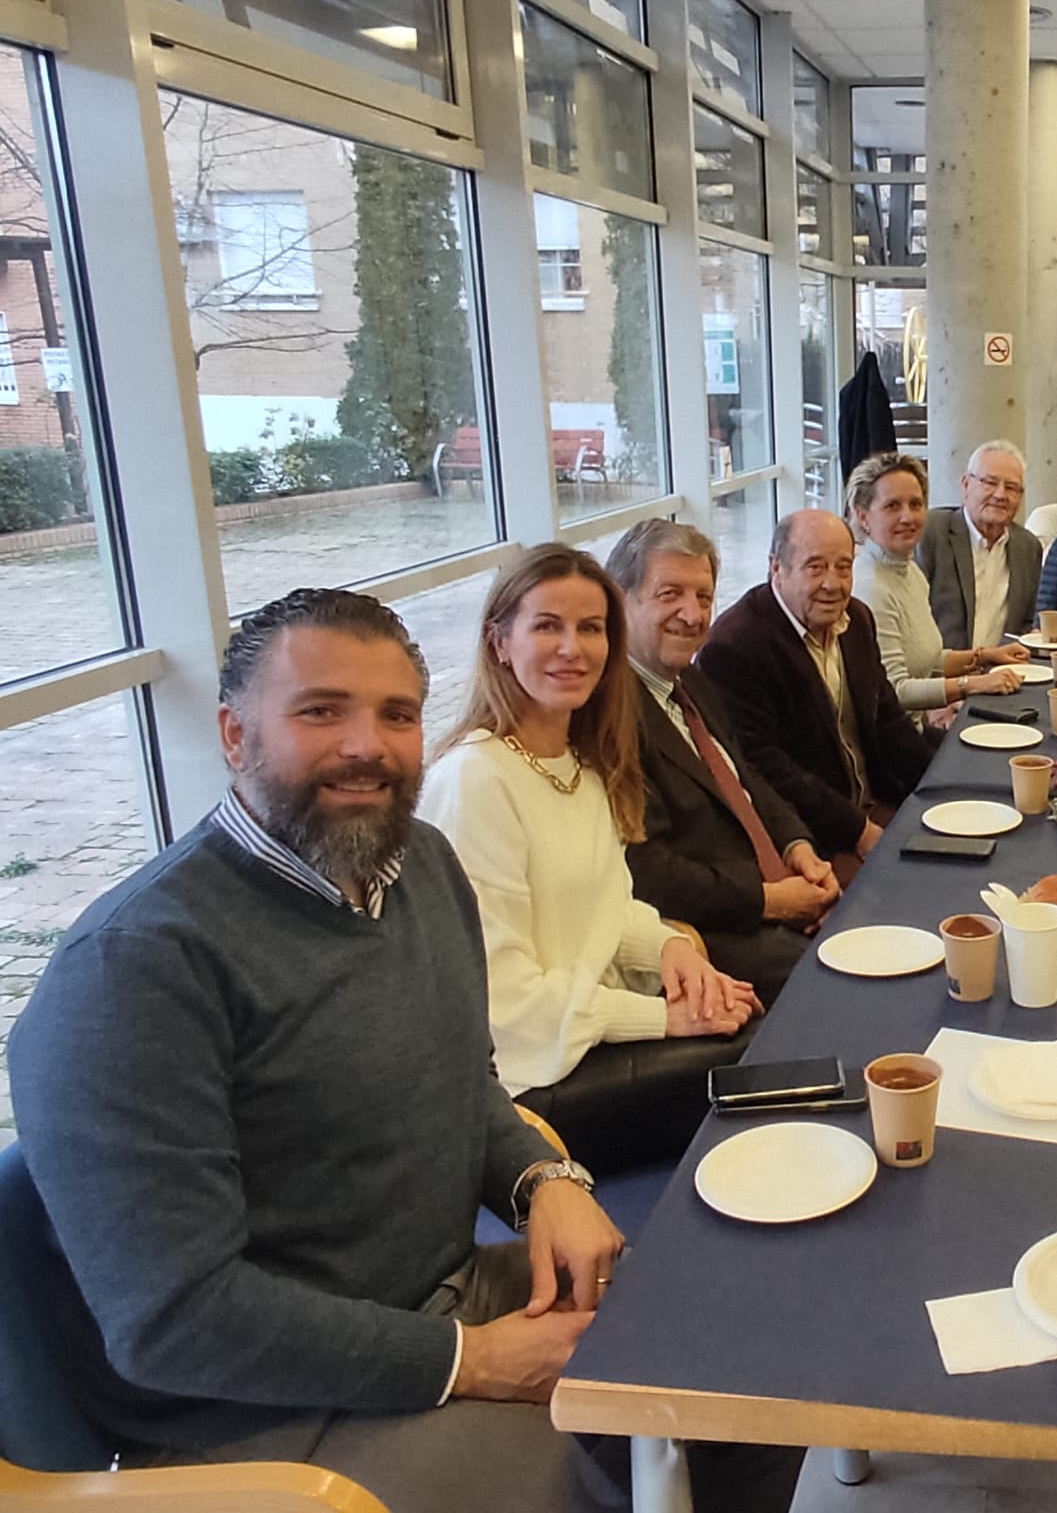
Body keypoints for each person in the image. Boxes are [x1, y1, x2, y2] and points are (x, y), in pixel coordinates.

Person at [9, 589, 630, 1512]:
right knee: (589, 1473)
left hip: (438, 1297)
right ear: (233, 734)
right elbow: (176, 1323)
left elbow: (466, 1085)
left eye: (397, 715)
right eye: (319, 711)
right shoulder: (136, 972)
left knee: (710, 1361)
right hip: (253, 1415)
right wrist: (470, 1361)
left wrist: (547, 1182)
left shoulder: (420, 865)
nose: (365, 746)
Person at [418, 546, 761, 1164]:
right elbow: (501, 999)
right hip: (524, 1082)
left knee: (765, 1032)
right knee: (765, 1062)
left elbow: (608, 905)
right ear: (499, 642)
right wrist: (663, 1020)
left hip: (580, 1037)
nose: (573, 648)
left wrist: (671, 951)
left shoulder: (582, 763)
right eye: (547, 626)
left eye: (591, 628)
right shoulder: (475, 781)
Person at [606, 520, 838, 1005]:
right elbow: (648, 871)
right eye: (670, 594)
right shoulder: (609, 716)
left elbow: (746, 778)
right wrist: (769, 901)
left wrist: (799, 849)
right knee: (841, 988)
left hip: (771, 890)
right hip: (710, 930)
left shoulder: (690, 680)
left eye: (704, 597)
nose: (692, 615)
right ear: (619, 600)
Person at [697, 508, 935, 879]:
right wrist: (860, 831)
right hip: (814, 841)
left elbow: (888, 719)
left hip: (879, 807)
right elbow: (764, 768)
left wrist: (937, 788)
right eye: (815, 567)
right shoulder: (735, 646)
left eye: (844, 567)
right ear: (777, 567)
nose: (833, 583)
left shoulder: (856, 619)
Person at [849, 452, 1028, 729]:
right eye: (892, 506)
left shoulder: (910, 572)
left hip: (918, 730)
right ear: (863, 516)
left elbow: (928, 661)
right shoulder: (870, 587)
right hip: (894, 745)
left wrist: (986, 656)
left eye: (916, 504)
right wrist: (973, 684)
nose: (907, 517)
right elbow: (895, 689)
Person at [915, 438, 1045, 651]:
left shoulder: (1028, 547)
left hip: (1002, 674)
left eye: (1011, 487)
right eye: (990, 483)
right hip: (941, 676)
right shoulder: (932, 532)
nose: (1000, 495)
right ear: (966, 485)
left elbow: (1025, 623)